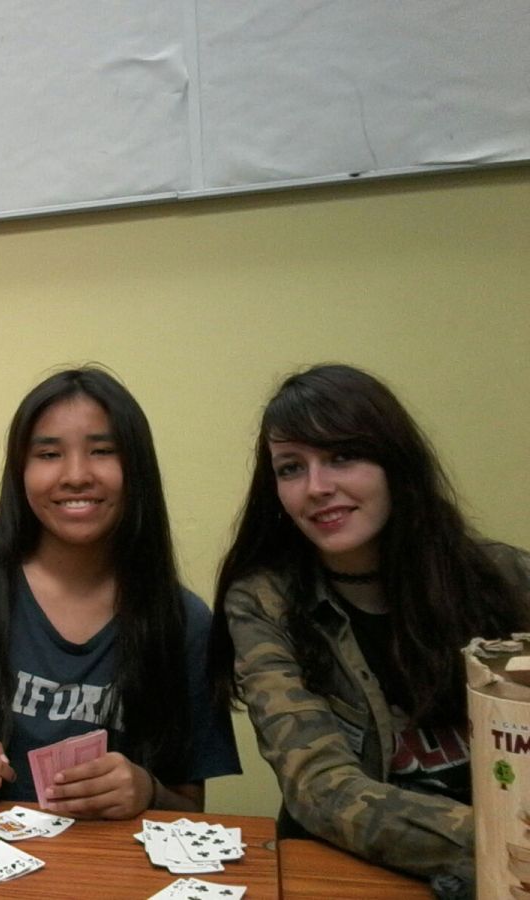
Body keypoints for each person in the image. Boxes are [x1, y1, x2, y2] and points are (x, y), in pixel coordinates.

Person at [0, 366, 239, 817]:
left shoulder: (182, 622)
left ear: (137, 468)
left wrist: (147, 791)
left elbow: (189, 804)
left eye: (102, 451)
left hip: (96, 858)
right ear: (20, 471)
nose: (76, 475)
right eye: (49, 454)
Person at [209, 363, 530, 884]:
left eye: (342, 457)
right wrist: (501, 841)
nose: (316, 487)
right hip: (354, 873)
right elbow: (320, 788)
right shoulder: (264, 602)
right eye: (290, 468)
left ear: (394, 461)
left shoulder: (508, 578)